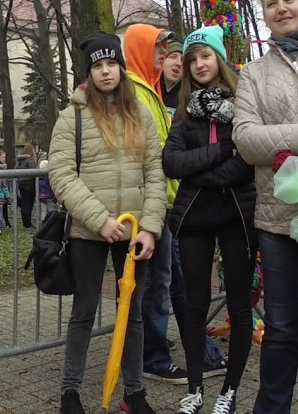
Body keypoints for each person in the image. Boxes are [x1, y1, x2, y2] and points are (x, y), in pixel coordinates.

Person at [51, 32, 165, 414]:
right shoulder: (73, 118)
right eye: (97, 65)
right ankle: (70, 391)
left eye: (111, 64)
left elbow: (155, 173)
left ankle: (134, 392)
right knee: (83, 312)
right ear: (89, 72)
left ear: (121, 67)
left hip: (134, 234)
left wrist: (149, 227)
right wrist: (99, 220)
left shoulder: (142, 114)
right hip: (89, 232)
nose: (105, 71)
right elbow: (63, 176)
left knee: (131, 314)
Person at [126, 24, 226, 383]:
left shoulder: (151, 91)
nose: (164, 53)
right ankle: (152, 357)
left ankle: (187, 353)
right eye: (158, 47)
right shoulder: (135, 93)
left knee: (173, 283)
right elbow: (152, 155)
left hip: (168, 201)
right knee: (159, 285)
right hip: (153, 205)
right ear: (140, 49)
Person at [163, 26, 255, 414]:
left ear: (218, 58)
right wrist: (219, 152)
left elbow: (246, 160)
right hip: (195, 221)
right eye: (192, 59)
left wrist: (201, 170)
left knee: (238, 306)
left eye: (206, 56)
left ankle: (229, 391)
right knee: (195, 305)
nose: (200, 64)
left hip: (237, 217)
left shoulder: (245, 103)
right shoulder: (184, 113)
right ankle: (196, 389)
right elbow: (171, 163)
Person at [233, 0, 298, 414]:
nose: (282, 8)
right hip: (279, 221)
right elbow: (247, 139)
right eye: (272, 3)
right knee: (281, 327)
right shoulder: (254, 74)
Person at [16, 143, 39, 229]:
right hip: (29, 184)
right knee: (28, 205)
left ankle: (25, 223)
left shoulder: (20, 161)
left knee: (24, 205)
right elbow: (34, 172)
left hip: (21, 184)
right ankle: (28, 224)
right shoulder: (30, 160)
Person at [161, 40, 184, 113]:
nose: (179, 63)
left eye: (183, 60)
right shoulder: (151, 88)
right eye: (173, 57)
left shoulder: (188, 94)